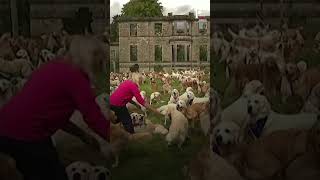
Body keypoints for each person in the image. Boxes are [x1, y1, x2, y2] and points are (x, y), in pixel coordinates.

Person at [0, 35, 110, 180]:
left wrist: (82, 135)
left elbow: (51, 114)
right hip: (27, 134)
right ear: (89, 58)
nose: (102, 65)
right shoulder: (76, 77)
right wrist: (118, 138)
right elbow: (93, 117)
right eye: (100, 60)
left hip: (7, 127)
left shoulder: (55, 67)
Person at [110, 68, 162, 134]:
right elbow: (142, 102)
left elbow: (127, 97)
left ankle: (116, 132)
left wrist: (135, 104)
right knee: (128, 122)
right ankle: (131, 137)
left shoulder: (127, 82)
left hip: (111, 102)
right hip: (118, 104)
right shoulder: (134, 86)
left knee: (117, 119)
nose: (142, 81)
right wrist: (155, 110)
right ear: (138, 79)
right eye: (141, 80)